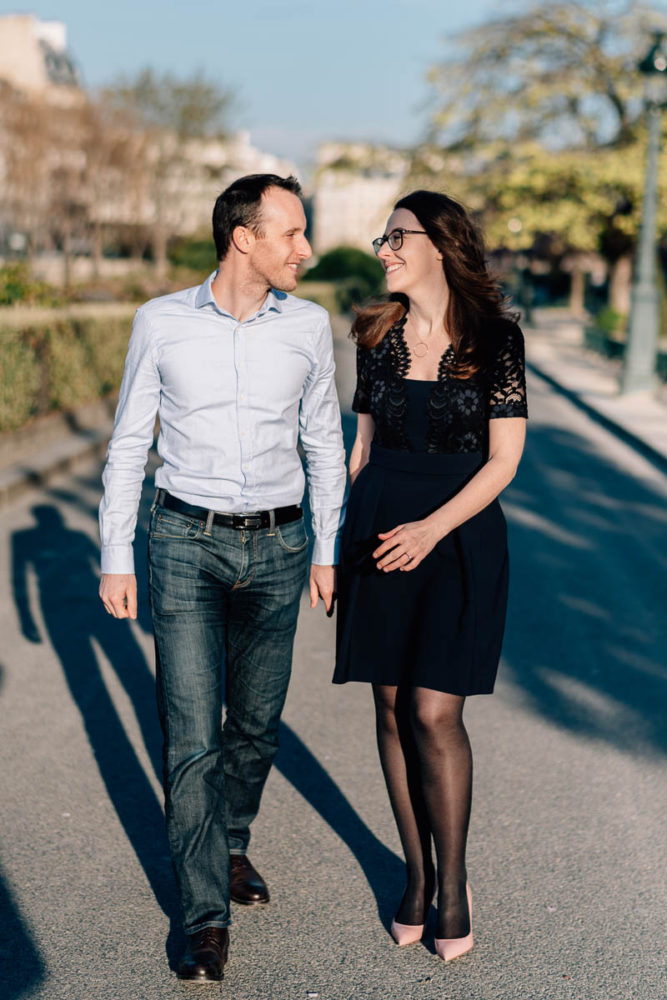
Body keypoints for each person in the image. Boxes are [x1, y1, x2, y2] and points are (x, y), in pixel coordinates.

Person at [98, 173, 346, 982]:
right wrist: (115, 552)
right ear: (243, 236)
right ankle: (203, 919)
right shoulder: (161, 322)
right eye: (290, 234)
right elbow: (131, 440)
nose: (304, 249)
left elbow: (323, 442)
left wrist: (326, 546)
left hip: (278, 548)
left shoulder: (307, 327)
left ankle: (231, 844)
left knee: (256, 729)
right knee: (193, 738)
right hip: (182, 543)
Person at [334, 190, 527, 961]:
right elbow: (361, 449)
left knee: (433, 713)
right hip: (378, 531)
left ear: (439, 245)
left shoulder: (493, 340)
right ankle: (415, 877)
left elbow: (505, 459)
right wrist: (333, 547)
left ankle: (452, 882)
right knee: (387, 706)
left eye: (395, 236)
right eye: (383, 237)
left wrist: (431, 528)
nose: (383, 248)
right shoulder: (374, 333)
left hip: (456, 537)